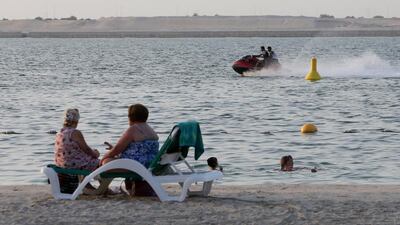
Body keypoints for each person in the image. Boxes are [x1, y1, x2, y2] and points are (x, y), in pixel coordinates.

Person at [101, 104, 159, 195]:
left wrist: (104, 157)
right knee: (111, 159)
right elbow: (139, 149)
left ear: (131, 117)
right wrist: (114, 150)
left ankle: (103, 188)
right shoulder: (151, 130)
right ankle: (131, 185)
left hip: (136, 165)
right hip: (150, 163)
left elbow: (117, 149)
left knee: (106, 162)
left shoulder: (133, 129)